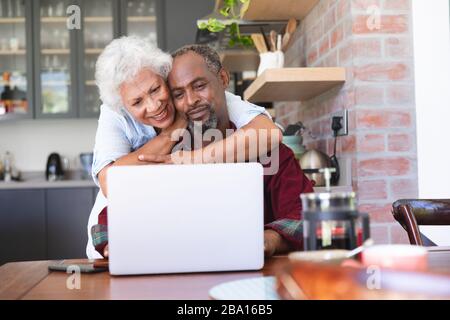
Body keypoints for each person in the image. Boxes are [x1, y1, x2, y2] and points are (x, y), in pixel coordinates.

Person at [91, 44, 314, 259]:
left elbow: (307, 217)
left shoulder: (265, 151)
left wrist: (271, 238)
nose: (191, 101)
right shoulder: (165, 155)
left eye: (199, 86)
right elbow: (110, 217)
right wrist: (114, 242)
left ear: (223, 80)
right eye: (178, 94)